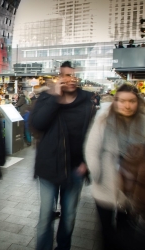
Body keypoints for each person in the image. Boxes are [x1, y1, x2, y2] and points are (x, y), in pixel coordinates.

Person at [30, 61, 95, 250]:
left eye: (74, 75)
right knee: (45, 216)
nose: (71, 79)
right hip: (49, 166)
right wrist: (54, 98)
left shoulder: (86, 102)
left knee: (69, 217)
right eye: (66, 75)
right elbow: (38, 125)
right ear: (59, 77)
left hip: (75, 169)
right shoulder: (46, 98)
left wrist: (86, 162)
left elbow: (91, 134)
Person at [85, 84, 145, 250]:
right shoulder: (103, 121)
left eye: (131, 101)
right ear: (116, 102)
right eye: (122, 101)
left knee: (126, 230)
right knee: (106, 230)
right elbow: (91, 148)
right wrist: (96, 173)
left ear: (137, 102)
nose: (127, 105)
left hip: (133, 190)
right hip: (105, 186)